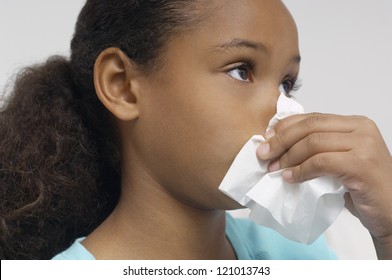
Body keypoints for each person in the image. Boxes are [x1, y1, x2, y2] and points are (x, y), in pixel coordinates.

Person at [1, 0, 391, 260]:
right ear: (122, 86)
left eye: (286, 83)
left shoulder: (303, 256)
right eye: (241, 70)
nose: (283, 112)